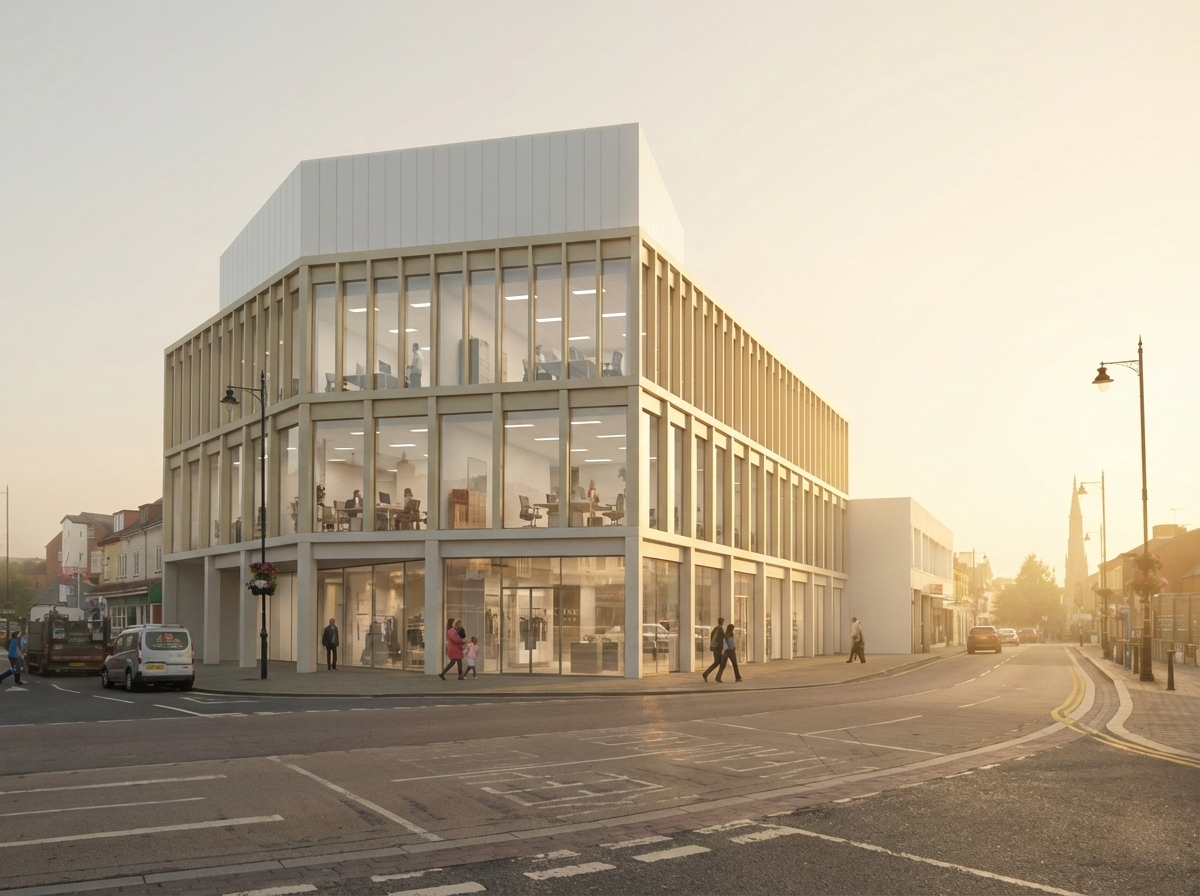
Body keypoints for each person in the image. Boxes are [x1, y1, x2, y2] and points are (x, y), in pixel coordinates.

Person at [701, 616, 726, 682]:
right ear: (722, 622)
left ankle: (706, 674)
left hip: (714, 648)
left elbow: (712, 638)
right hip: (718, 649)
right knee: (722, 664)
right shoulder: (720, 630)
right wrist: (723, 650)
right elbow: (721, 641)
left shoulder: (715, 629)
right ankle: (718, 677)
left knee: (716, 662)